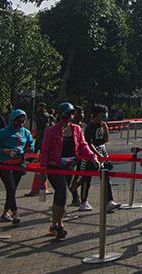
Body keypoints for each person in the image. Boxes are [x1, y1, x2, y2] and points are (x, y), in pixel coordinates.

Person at [37, 102, 99, 239]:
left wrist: (93, 157)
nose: (69, 117)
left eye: (71, 114)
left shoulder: (77, 129)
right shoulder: (50, 131)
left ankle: (54, 224)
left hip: (70, 166)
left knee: (59, 196)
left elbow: (83, 145)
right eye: (66, 115)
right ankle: (60, 225)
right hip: (54, 167)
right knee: (62, 192)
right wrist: (42, 170)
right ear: (60, 115)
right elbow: (45, 151)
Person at [0, 109, 35, 225]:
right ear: (12, 120)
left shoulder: (25, 132)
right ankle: (15, 214)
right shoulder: (3, 133)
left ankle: (5, 212)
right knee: (11, 189)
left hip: (19, 165)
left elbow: (31, 145)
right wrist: (5, 151)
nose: (20, 123)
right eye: (18, 121)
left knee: (12, 191)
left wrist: (30, 148)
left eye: (23, 121)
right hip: (6, 165)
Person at [86, 104, 119, 212]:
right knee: (85, 178)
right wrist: (97, 155)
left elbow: (105, 140)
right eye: (102, 113)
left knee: (105, 176)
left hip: (102, 151)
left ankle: (109, 201)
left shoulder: (102, 125)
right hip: (92, 154)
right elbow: (89, 144)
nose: (105, 115)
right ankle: (81, 199)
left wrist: (106, 128)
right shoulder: (90, 127)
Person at [25, 105, 53, 198]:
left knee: (39, 151)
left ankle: (31, 161)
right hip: (42, 135)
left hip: (42, 135)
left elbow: (42, 124)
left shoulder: (44, 115)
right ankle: (32, 160)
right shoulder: (45, 115)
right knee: (38, 151)